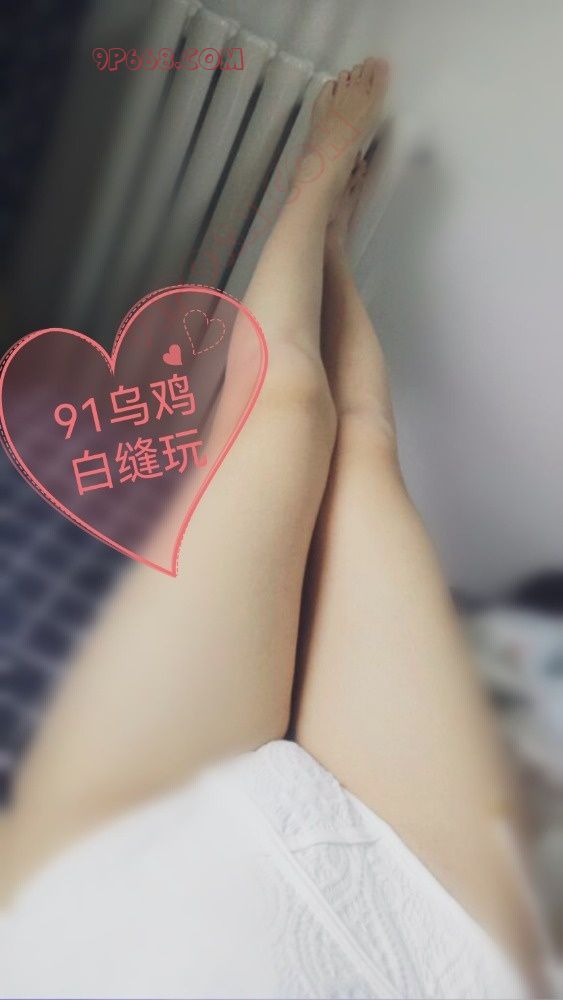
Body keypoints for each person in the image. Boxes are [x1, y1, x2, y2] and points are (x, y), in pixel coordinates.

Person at [0, 59, 545, 998]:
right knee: (359, 445)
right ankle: (325, 228)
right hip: (439, 950)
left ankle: (315, 197)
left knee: (284, 412)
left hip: (94, 900)